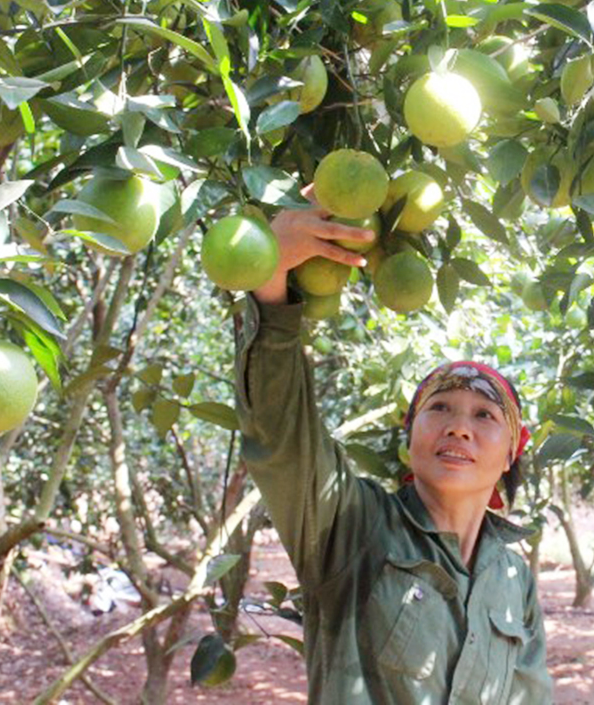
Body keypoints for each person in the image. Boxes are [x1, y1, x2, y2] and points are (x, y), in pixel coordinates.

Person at [234, 194, 554, 704]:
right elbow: (281, 435)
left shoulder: (512, 575)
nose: (459, 428)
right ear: (409, 444)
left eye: (484, 416)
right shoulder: (354, 527)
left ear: (512, 451)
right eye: (440, 408)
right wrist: (270, 279)